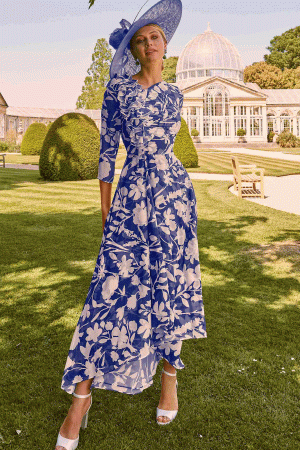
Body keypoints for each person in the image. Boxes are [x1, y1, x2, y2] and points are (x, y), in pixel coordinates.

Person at [55, 0, 206, 448]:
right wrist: (105, 210)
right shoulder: (118, 91)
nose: (148, 44)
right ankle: (80, 399)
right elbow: (107, 156)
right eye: (140, 40)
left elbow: (168, 149)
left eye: (154, 37)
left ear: (165, 44)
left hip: (174, 199)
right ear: (133, 50)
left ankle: (170, 377)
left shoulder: (176, 94)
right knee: (110, 288)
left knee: (171, 284)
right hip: (130, 201)